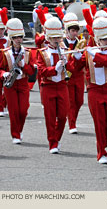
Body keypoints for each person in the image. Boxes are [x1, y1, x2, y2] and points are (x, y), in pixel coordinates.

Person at [71, 17, 107, 164]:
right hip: (94, 91)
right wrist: (77, 56)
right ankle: (101, 153)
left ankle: (104, 143)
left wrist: (94, 54)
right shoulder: (89, 53)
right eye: (104, 40)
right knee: (99, 123)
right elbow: (75, 69)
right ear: (98, 41)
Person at [37, 17, 72, 154]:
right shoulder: (42, 52)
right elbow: (41, 71)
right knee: (50, 117)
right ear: (48, 38)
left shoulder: (65, 51)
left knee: (63, 116)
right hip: (48, 86)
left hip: (62, 85)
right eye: (54, 38)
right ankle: (52, 143)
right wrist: (54, 69)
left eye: (59, 37)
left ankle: (56, 138)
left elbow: (73, 68)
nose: (57, 40)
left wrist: (73, 58)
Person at [0, 18, 35, 144]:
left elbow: (31, 71)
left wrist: (23, 65)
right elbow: (0, 69)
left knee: (23, 110)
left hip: (23, 82)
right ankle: (15, 135)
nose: (18, 40)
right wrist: (4, 74)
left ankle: (19, 131)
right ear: (11, 38)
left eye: (20, 37)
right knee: (14, 111)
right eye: (15, 38)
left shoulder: (27, 53)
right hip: (10, 84)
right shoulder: (4, 53)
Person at [62, 13, 86, 134]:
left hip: (79, 75)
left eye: (76, 31)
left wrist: (79, 57)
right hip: (68, 76)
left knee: (80, 101)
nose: (75, 33)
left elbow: (84, 62)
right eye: (72, 31)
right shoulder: (61, 43)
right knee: (71, 101)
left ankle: (72, 119)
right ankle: (72, 124)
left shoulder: (81, 43)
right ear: (67, 31)